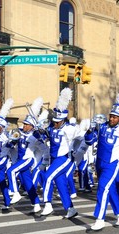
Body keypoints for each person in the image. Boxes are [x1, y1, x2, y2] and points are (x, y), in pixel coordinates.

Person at [84, 81, 119, 231]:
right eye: (111, 116)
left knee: (102, 188)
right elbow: (89, 141)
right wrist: (89, 131)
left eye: (115, 117)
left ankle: (99, 219)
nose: (112, 119)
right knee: (110, 190)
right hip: (100, 162)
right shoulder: (101, 126)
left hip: (113, 163)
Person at [39, 88, 78, 219]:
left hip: (64, 159)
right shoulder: (52, 127)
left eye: (57, 122)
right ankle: (70, 209)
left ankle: (47, 203)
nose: (55, 123)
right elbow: (45, 137)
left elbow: (84, 137)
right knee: (61, 185)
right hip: (54, 159)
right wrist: (40, 132)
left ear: (63, 120)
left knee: (48, 177)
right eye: (54, 121)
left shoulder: (70, 129)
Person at [6, 97, 49, 213]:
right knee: (28, 183)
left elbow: (44, 141)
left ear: (32, 126)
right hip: (20, 159)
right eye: (24, 124)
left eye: (27, 124)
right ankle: (36, 205)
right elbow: (11, 143)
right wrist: (12, 141)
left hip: (28, 159)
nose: (24, 126)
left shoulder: (35, 135)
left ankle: (15, 193)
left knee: (11, 171)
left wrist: (41, 131)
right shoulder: (19, 132)